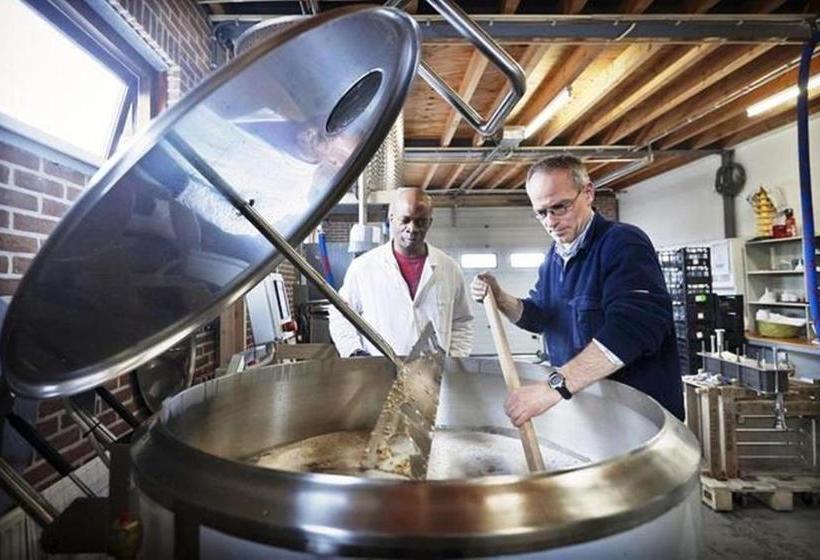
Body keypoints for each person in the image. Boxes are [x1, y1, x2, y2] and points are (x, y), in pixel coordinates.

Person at [471, 155, 683, 425]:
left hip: (637, 419)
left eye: (560, 207)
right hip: (591, 417)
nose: (551, 222)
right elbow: (540, 316)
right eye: (541, 213)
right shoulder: (554, 258)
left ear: (588, 193)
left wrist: (554, 386)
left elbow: (632, 329)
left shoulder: (622, 243)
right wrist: (500, 298)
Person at [329, 188, 473, 358]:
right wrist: (354, 351)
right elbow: (341, 314)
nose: (412, 228)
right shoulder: (363, 267)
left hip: (434, 375)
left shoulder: (449, 269)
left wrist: (455, 360)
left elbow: (461, 322)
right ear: (391, 218)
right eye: (405, 220)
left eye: (420, 222)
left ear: (429, 222)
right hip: (380, 372)